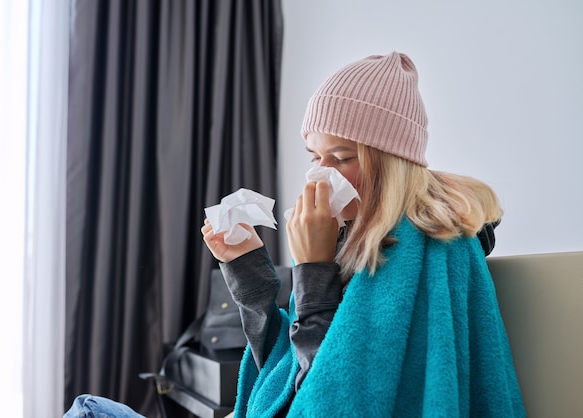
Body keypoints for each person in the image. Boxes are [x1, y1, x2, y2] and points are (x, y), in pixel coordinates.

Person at [201, 52, 525, 417]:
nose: (319, 175)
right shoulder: (346, 239)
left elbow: (331, 400)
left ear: (389, 165)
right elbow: (285, 376)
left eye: (341, 158)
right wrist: (248, 270)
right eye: (314, 157)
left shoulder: (424, 250)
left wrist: (312, 271)